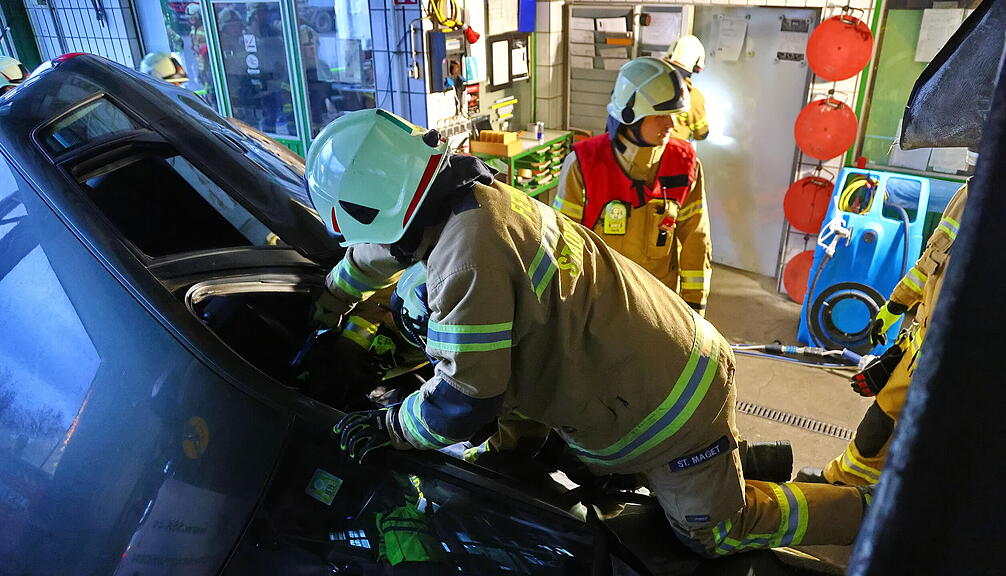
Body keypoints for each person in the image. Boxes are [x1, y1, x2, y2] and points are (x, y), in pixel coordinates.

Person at [306, 106, 871, 557]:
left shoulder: (466, 259)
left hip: (670, 407)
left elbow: (463, 397)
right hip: (645, 366)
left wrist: (392, 425)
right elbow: (378, 250)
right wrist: (330, 297)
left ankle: (864, 513)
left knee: (713, 534)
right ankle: (736, 462)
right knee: (520, 458)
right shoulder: (464, 199)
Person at [798, 183, 968, 486]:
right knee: (879, 425)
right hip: (921, 350)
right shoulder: (971, 192)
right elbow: (931, 262)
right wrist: (895, 305)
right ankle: (845, 486)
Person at [553, 57, 712, 315]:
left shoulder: (685, 165)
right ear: (630, 116)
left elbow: (696, 240)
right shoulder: (583, 165)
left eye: (673, 114)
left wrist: (695, 310)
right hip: (599, 306)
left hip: (660, 308)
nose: (671, 125)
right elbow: (563, 242)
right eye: (661, 115)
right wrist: (565, 310)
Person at [666, 35, 709, 142]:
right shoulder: (693, 96)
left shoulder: (651, 81)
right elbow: (701, 134)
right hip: (673, 153)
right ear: (696, 66)